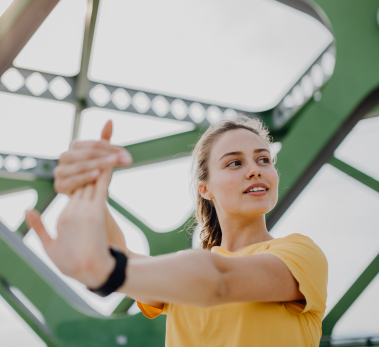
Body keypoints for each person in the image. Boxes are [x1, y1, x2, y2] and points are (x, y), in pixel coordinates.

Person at [26, 117, 328, 347]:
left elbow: (221, 281)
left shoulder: (300, 255)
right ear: (205, 189)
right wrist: (92, 191)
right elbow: (123, 258)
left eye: (264, 159)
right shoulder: (183, 276)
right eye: (235, 162)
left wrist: (108, 271)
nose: (255, 169)